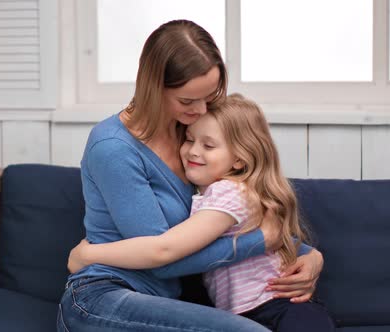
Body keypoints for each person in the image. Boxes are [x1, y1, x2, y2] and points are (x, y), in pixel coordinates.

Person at [57, 19, 324, 332]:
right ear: (153, 87)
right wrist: (262, 240)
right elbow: (163, 256)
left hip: (166, 300)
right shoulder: (113, 147)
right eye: (187, 100)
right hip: (103, 298)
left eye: (209, 96)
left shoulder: (190, 134)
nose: (200, 110)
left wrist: (309, 254)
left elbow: (231, 207)